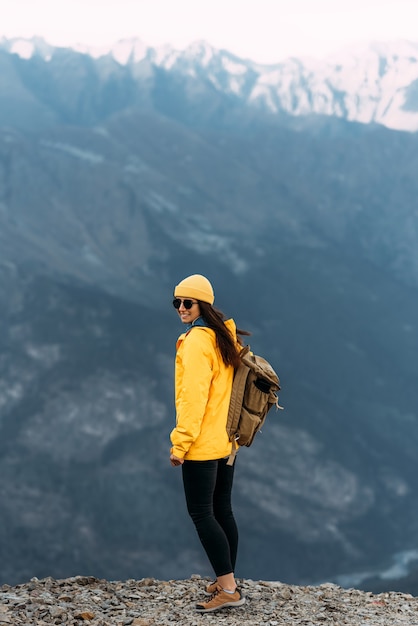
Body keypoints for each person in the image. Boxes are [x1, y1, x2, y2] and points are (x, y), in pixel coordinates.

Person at [169, 273, 250, 613]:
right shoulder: (222, 338)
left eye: (188, 302)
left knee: (202, 514)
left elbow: (194, 398)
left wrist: (180, 443)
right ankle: (226, 578)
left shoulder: (197, 342)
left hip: (202, 443)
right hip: (225, 442)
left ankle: (228, 588)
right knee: (222, 511)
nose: (181, 308)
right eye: (177, 303)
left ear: (203, 304)